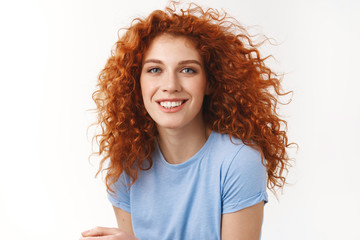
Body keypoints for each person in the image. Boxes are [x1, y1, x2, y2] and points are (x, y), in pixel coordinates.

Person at [80, 2, 292, 240]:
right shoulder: (127, 165)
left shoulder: (238, 161)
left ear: (210, 82)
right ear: (135, 83)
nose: (170, 85)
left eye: (188, 70)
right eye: (154, 70)